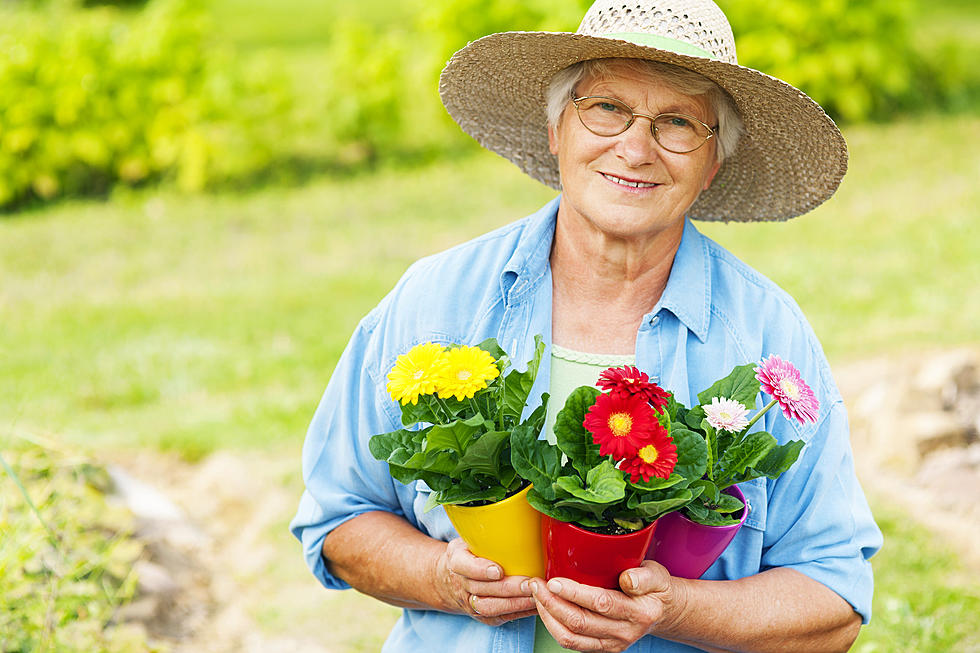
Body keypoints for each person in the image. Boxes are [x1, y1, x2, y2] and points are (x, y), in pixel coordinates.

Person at [290, 0, 882, 651]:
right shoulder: (437, 299)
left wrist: (674, 608)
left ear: (712, 165)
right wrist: (442, 578)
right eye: (606, 108)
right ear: (556, 130)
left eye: (678, 122)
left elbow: (834, 600)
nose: (634, 147)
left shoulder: (766, 339)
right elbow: (340, 519)